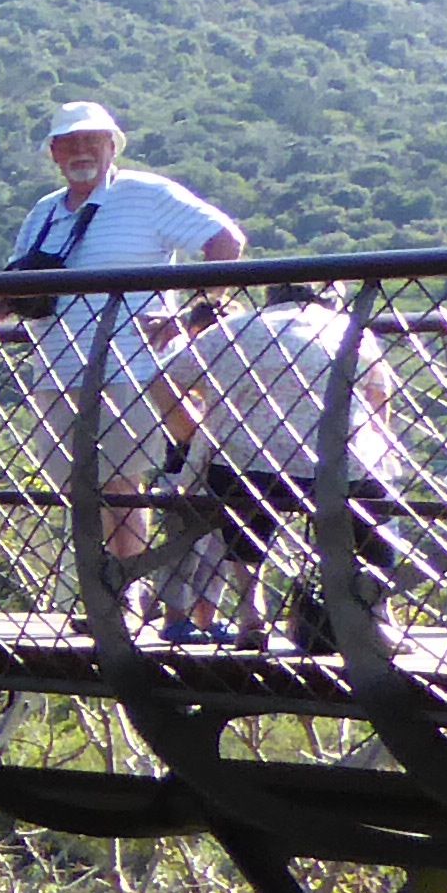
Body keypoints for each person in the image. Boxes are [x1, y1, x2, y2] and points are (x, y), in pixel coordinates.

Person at [0, 101, 242, 574]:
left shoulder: (145, 193)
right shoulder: (44, 213)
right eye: (70, 142)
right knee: (82, 488)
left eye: (92, 140)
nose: (81, 150)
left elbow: (225, 242)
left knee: (123, 482)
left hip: (131, 364)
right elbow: (15, 286)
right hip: (57, 366)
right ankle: (106, 588)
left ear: (111, 147)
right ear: (54, 153)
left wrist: (191, 313)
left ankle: (126, 589)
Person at [154, 274, 394, 646]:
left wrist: (193, 432)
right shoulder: (348, 330)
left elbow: (163, 378)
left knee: (242, 509)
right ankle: (379, 617)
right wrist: (376, 446)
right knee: (372, 510)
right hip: (335, 466)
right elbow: (379, 398)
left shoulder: (230, 330)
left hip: (247, 464)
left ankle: (252, 615)